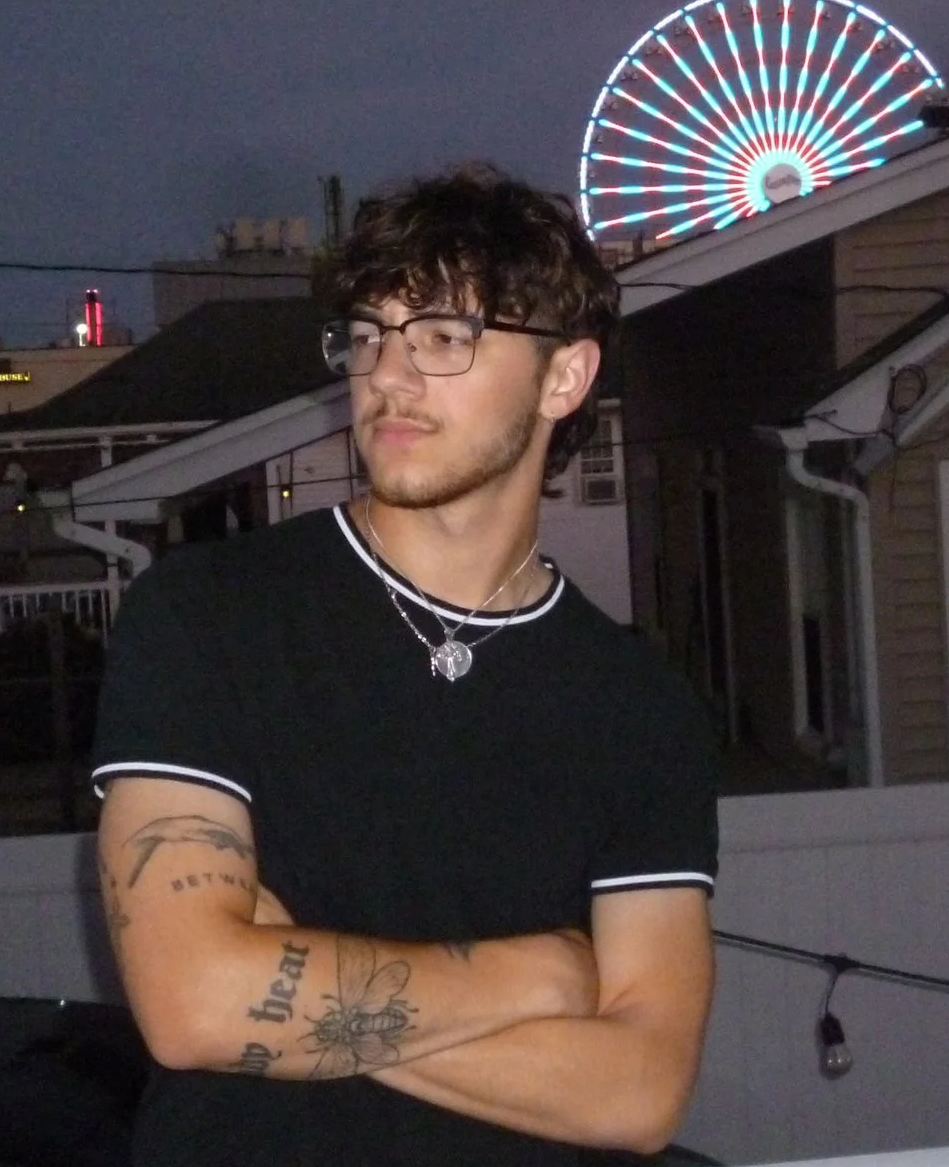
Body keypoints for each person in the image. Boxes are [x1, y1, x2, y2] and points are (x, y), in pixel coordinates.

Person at [90, 164, 720, 1166]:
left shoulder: (637, 705)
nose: (387, 375)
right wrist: (540, 977)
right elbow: (191, 1003)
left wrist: (293, 987)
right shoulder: (209, 614)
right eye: (371, 335)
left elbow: (639, 1091)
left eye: (442, 337)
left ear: (563, 375)